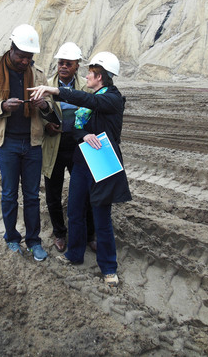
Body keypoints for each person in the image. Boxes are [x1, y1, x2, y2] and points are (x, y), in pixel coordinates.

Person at [28, 51, 132, 285]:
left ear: (100, 77)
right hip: (82, 161)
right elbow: (75, 126)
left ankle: (108, 268)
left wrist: (54, 90)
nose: (86, 78)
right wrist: (84, 135)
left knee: (101, 217)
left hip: (103, 163)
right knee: (75, 211)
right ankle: (74, 254)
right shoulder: (92, 100)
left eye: (90, 74)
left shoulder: (112, 99)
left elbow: (89, 101)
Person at [0, 24, 51, 261]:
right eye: (21, 56)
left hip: (32, 144)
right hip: (7, 144)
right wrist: (1, 107)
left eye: (29, 57)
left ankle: (34, 241)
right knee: (9, 194)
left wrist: (44, 106)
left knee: (31, 196)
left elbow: (52, 108)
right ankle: (11, 238)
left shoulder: (39, 75)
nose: (25, 62)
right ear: (12, 49)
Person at [42, 42, 96, 253]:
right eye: (60, 62)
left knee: (86, 192)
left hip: (78, 147)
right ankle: (59, 234)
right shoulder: (46, 85)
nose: (63, 66)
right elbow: (38, 116)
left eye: (68, 63)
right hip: (54, 145)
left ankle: (90, 234)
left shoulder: (86, 87)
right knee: (53, 194)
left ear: (76, 66)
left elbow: (93, 113)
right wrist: (47, 125)